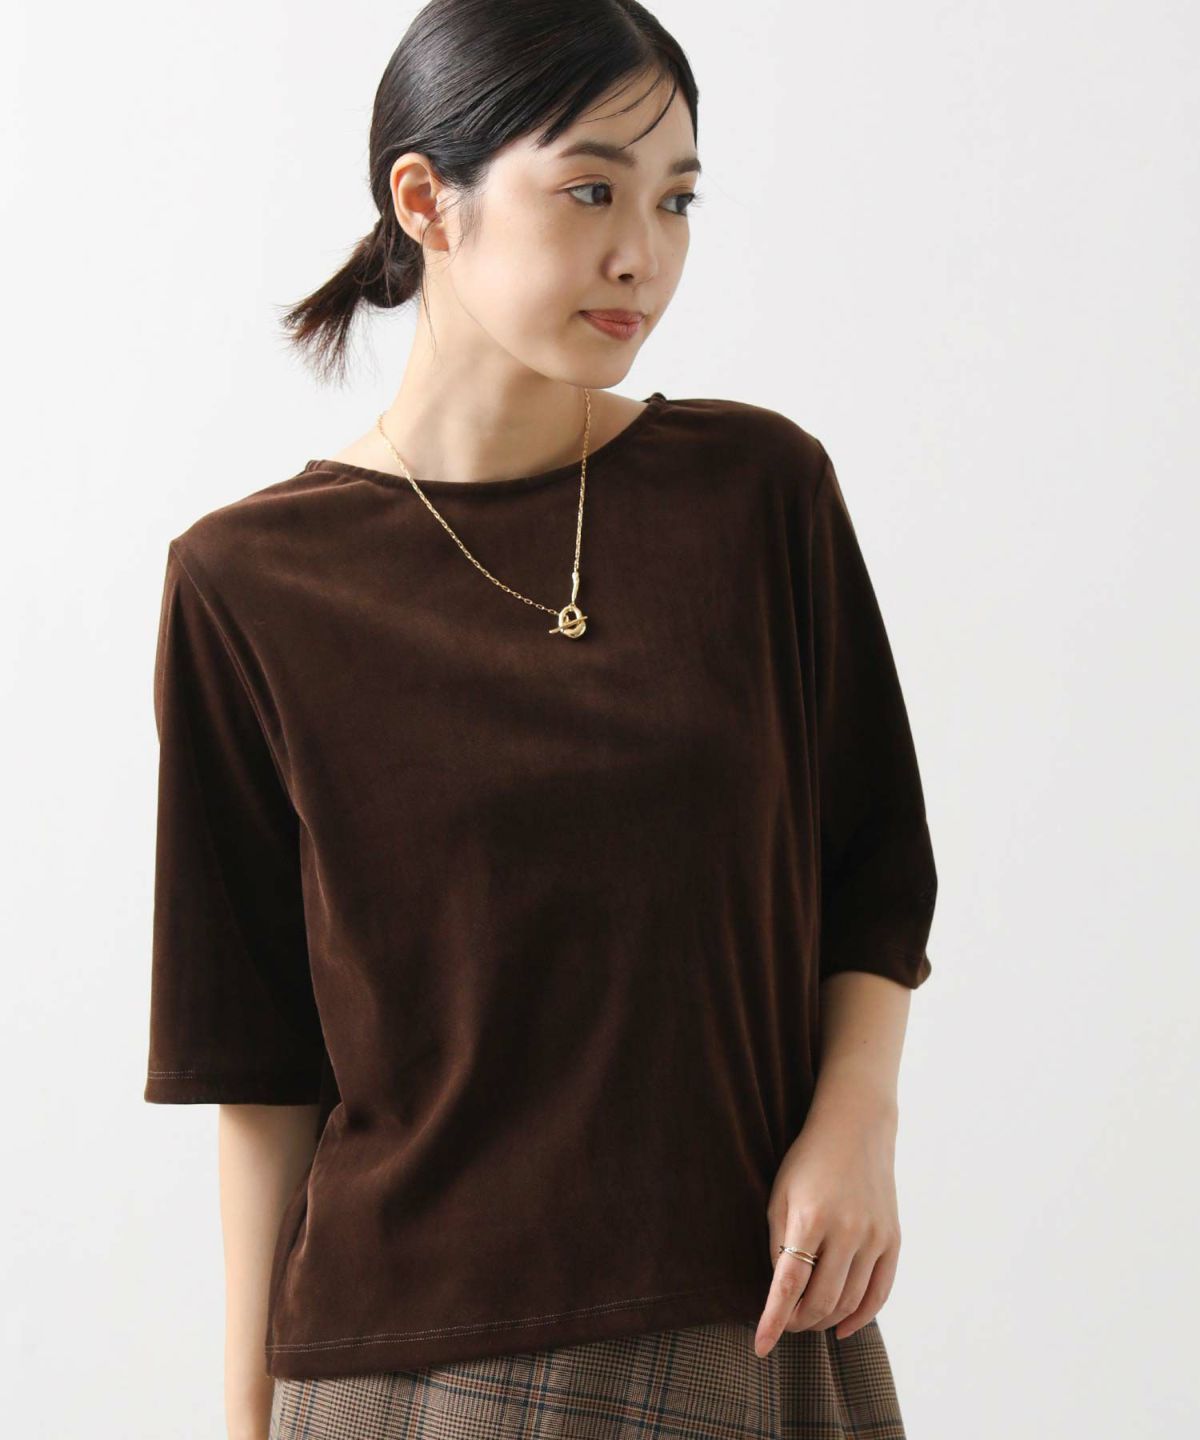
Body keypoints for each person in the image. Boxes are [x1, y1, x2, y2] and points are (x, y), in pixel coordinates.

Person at [143, 3, 939, 1438]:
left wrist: (857, 1122)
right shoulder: (248, 582)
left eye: (676, 201)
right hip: (402, 1370)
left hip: (742, 1316)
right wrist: (244, 1417)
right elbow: (255, 1058)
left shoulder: (757, 494)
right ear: (423, 199)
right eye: (590, 191)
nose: (643, 253)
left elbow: (873, 870)